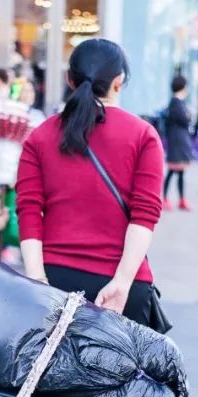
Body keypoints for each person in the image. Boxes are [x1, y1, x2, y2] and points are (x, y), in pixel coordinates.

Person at [15, 38, 164, 327]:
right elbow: (144, 215)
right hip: (123, 286)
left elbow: (29, 210)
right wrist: (122, 281)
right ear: (118, 82)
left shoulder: (40, 136)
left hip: (55, 282)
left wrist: (36, 279)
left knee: (47, 372)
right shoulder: (144, 136)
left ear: (70, 79)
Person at [163, 75, 193, 211]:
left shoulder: (176, 103)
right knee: (171, 171)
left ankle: (181, 199)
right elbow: (185, 120)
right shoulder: (176, 103)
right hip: (177, 143)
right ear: (182, 87)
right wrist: (188, 116)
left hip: (179, 143)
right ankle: (164, 199)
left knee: (180, 172)